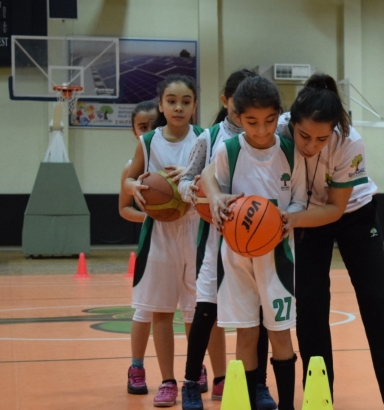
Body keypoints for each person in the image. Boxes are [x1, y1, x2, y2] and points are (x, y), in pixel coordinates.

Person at [280, 74, 384, 410]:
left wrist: (291, 220)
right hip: (307, 215)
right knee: (310, 306)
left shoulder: (350, 142)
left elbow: (336, 209)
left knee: (375, 301)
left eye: (321, 139)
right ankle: (319, 395)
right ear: (292, 122)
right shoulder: (279, 129)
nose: (311, 146)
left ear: (335, 130)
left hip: (354, 214)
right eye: (304, 136)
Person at [177, 68, 277, 410]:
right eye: (238, 106)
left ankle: (259, 384)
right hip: (215, 239)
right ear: (228, 102)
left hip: (257, 240)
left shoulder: (271, 139)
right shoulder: (211, 137)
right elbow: (188, 179)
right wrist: (196, 193)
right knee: (205, 311)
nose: (243, 113)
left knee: (260, 315)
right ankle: (191, 382)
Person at [201, 76, 299, 410]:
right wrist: (215, 198)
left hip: (279, 254)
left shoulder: (289, 149)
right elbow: (208, 177)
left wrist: (287, 218)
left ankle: (286, 404)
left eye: (269, 121)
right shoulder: (228, 149)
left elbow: (299, 201)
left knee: (280, 332)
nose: (261, 130)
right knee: (245, 333)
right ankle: (246, 402)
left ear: (278, 116)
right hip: (237, 254)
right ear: (237, 117)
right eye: (252, 122)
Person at [124, 74, 203, 407]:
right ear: (161, 105)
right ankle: (167, 380)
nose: (178, 107)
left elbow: (213, 177)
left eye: (186, 101)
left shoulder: (204, 138)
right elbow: (130, 177)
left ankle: (193, 372)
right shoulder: (149, 141)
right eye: (171, 101)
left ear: (194, 106)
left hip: (195, 227)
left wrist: (188, 175)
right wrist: (132, 187)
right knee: (159, 311)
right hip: (158, 233)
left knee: (195, 310)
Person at [120, 100, 161, 396]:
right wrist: (151, 214)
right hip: (152, 240)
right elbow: (124, 209)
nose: (147, 130)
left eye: (151, 125)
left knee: (191, 308)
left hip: (183, 240)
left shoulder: (173, 158)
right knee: (144, 310)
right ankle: (136, 366)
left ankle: (195, 366)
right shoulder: (131, 168)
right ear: (134, 131)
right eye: (141, 127)